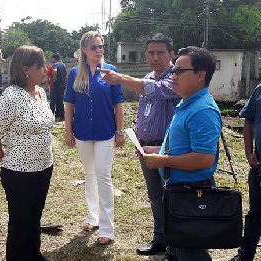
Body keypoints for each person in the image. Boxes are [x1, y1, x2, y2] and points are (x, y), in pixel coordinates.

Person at [101, 33, 180, 257]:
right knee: (155, 196)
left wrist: (121, 78)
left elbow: (155, 90)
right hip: (146, 147)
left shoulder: (176, 78)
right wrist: (139, 136)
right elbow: (145, 110)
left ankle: (175, 245)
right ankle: (160, 239)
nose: (155, 57)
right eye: (151, 53)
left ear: (171, 54)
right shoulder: (147, 77)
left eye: (160, 53)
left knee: (172, 197)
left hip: (168, 150)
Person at [142, 46, 221, 260]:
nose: (173, 76)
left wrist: (162, 160)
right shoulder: (187, 103)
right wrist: (157, 150)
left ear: (200, 75)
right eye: (173, 71)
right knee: (182, 249)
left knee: (191, 252)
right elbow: (185, 146)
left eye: (179, 71)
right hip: (180, 191)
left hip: (192, 193)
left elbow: (204, 158)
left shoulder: (202, 110)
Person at [0, 45, 54, 260]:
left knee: (35, 218)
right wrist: (6, 158)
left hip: (44, 167)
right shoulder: (12, 96)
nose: (45, 69)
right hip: (20, 173)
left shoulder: (40, 92)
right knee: (20, 222)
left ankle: (34, 254)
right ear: (25, 69)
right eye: (40, 65)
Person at [64, 31, 125, 245]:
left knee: (103, 175)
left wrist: (120, 131)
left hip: (105, 132)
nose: (99, 51)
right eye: (94, 47)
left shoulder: (111, 71)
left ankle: (107, 228)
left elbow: (118, 103)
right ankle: (92, 216)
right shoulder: (74, 73)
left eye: (101, 47)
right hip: (82, 132)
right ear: (84, 50)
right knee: (89, 174)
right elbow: (69, 104)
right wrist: (68, 130)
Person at [230, 85, 261, 261]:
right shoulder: (259, 91)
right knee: (255, 213)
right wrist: (249, 152)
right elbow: (248, 120)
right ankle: (245, 254)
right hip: (259, 168)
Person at [50, 53, 67, 121]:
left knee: (53, 101)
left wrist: (54, 80)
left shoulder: (56, 64)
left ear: (54, 58)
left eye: (52, 58)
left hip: (56, 85)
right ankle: (62, 116)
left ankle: (50, 117)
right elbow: (66, 73)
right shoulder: (63, 65)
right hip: (62, 85)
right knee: (60, 101)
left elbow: (55, 71)